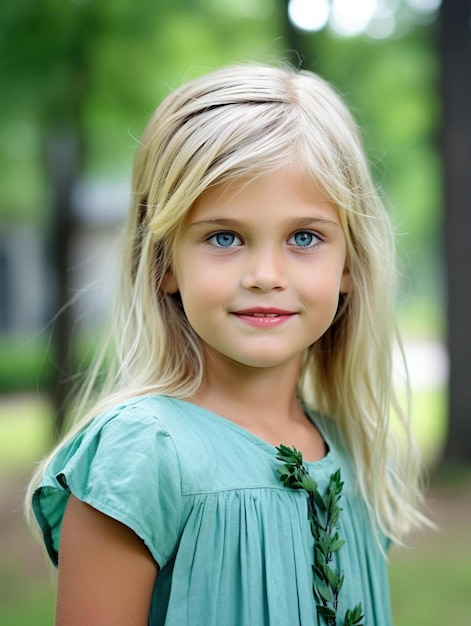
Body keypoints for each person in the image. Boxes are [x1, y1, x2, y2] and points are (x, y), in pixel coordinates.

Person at [27, 63, 428, 625]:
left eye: (304, 237)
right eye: (224, 237)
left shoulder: (355, 455)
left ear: (349, 265)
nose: (266, 273)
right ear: (166, 262)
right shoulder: (141, 454)